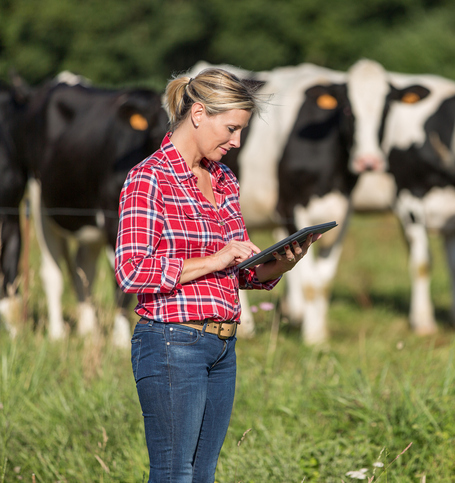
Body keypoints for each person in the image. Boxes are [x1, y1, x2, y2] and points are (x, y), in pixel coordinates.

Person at [114, 67, 318, 483]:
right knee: (174, 474)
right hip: (173, 342)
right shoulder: (149, 178)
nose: (236, 141)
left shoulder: (224, 179)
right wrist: (215, 259)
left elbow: (238, 271)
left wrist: (283, 262)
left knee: (203, 475)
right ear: (199, 114)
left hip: (223, 345)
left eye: (241, 131)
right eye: (231, 128)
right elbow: (132, 271)